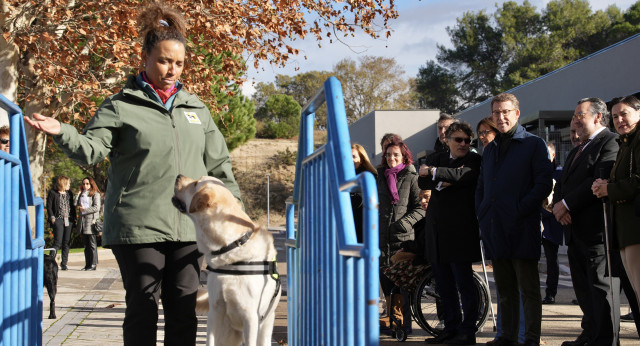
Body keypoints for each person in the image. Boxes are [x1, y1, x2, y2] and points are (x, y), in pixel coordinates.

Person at [24, 3, 242, 344]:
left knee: (183, 309)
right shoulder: (120, 105)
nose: (172, 69)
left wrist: (236, 213)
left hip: (190, 225)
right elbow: (91, 148)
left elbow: (219, 167)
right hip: (138, 224)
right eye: (164, 60)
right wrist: (62, 131)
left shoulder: (197, 108)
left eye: (179, 63)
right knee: (142, 306)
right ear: (144, 57)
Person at [476, 93, 553, 346]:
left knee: (528, 289)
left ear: (517, 114)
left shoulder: (534, 144)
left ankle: (530, 339)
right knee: (505, 289)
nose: (501, 117)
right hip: (495, 227)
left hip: (522, 226)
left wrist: (520, 209)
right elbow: (482, 186)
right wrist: (483, 211)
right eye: (496, 112)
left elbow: (542, 184)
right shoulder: (490, 149)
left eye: (506, 112)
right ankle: (506, 336)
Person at [552, 97, 620, 346]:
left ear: (598, 117)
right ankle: (590, 334)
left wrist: (566, 204)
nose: (575, 120)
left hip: (595, 232)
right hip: (574, 231)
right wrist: (558, 206)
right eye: (575, 115)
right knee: (583, 289)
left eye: (579, 115)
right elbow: (562, 184)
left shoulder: (610, 142)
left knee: (599, 289)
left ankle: (603, 340)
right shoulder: (577, 148)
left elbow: (597, 180)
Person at [419, 121, 481, 345]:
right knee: (444, 285)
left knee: (464, 284)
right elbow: (421, 179)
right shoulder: (438, 157)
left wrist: (437, 173)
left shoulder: (473, 160)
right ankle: (451, 327)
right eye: (458, 140)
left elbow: (464, 176)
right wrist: (444, 175)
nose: (463, 144)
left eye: (467, 140)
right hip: (437, 231)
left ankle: (468, 330)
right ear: (447, 140)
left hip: (461, 233)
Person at [592, 95, 640, 317]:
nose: (619, 120)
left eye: (624, 114)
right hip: (625, 231)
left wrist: (609, 189)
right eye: (615, 116)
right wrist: (607, 185)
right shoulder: (625, 142)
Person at [377, 136, 425, 334]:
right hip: (381, 238)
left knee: (402, 284)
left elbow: (420, 208)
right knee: (385, 280)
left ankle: (404, 325)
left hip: (403, 238)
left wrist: (403, 224)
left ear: (404, 156)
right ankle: (392, 320)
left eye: (396, 155)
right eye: (388, 155)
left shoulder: (412, 177)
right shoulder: (379, 176)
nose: (391, 158)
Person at [541, 142, 564, 305]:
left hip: (551, 222)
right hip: (536, 220)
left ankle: (551, 293)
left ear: (553, 155)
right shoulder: (534, 172)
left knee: (551, 260)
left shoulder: (559, 174)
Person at [46, 175, 76, 271]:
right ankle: (50, 262)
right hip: (58, 220)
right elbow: (49, 207)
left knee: (66, 243)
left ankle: (64, 263)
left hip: (68, 220)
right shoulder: (53, 193)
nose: (69, 185)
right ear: (63, 184)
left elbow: (72, 206)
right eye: (68, 183)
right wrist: (52, 218)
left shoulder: (69, 193)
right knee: (57, 242)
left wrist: (74, 218)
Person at [351, 143, 377, 243]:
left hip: (364, 226)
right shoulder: (343, 178)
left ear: (361, 159)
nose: (350, 160)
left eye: (354, 156)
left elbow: (360, 200)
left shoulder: (370, 176)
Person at [76, 177, 102, 271]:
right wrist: (78, 195)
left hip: (91, 222)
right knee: (86, 245)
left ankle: (93, 264)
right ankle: (87, 264)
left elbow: (96, 208)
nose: (85, 185)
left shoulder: (95, 194)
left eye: (87, 183)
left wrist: (85, 210)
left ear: (91, 184)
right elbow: (76, 204)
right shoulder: (82, 194)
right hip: (83, 222)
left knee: (92, 244)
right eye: (83, 184)